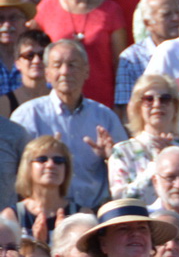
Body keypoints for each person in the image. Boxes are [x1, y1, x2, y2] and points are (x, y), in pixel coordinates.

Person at [13, 40, 127, 211]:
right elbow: (12, 169)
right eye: (57, 65)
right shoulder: (28, 116)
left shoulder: (104, 117)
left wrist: (109, 157)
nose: (65, 72)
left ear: (86, 71)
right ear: (47, 73)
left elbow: (125, 168)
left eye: (72, 65)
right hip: (43, 211)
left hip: (94, 213)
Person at [33, 0, 126, 110]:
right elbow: (34, 56)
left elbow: (119, 66)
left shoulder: (111, 10)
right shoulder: (45, 8)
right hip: (58, 104)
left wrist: (120, 107)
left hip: (102, 104)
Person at [113, 0, 179, 112]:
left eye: (177, 13)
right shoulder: (131, 59)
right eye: (167, 14)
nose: (176, 18)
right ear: (148, 23)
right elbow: (126, 109)